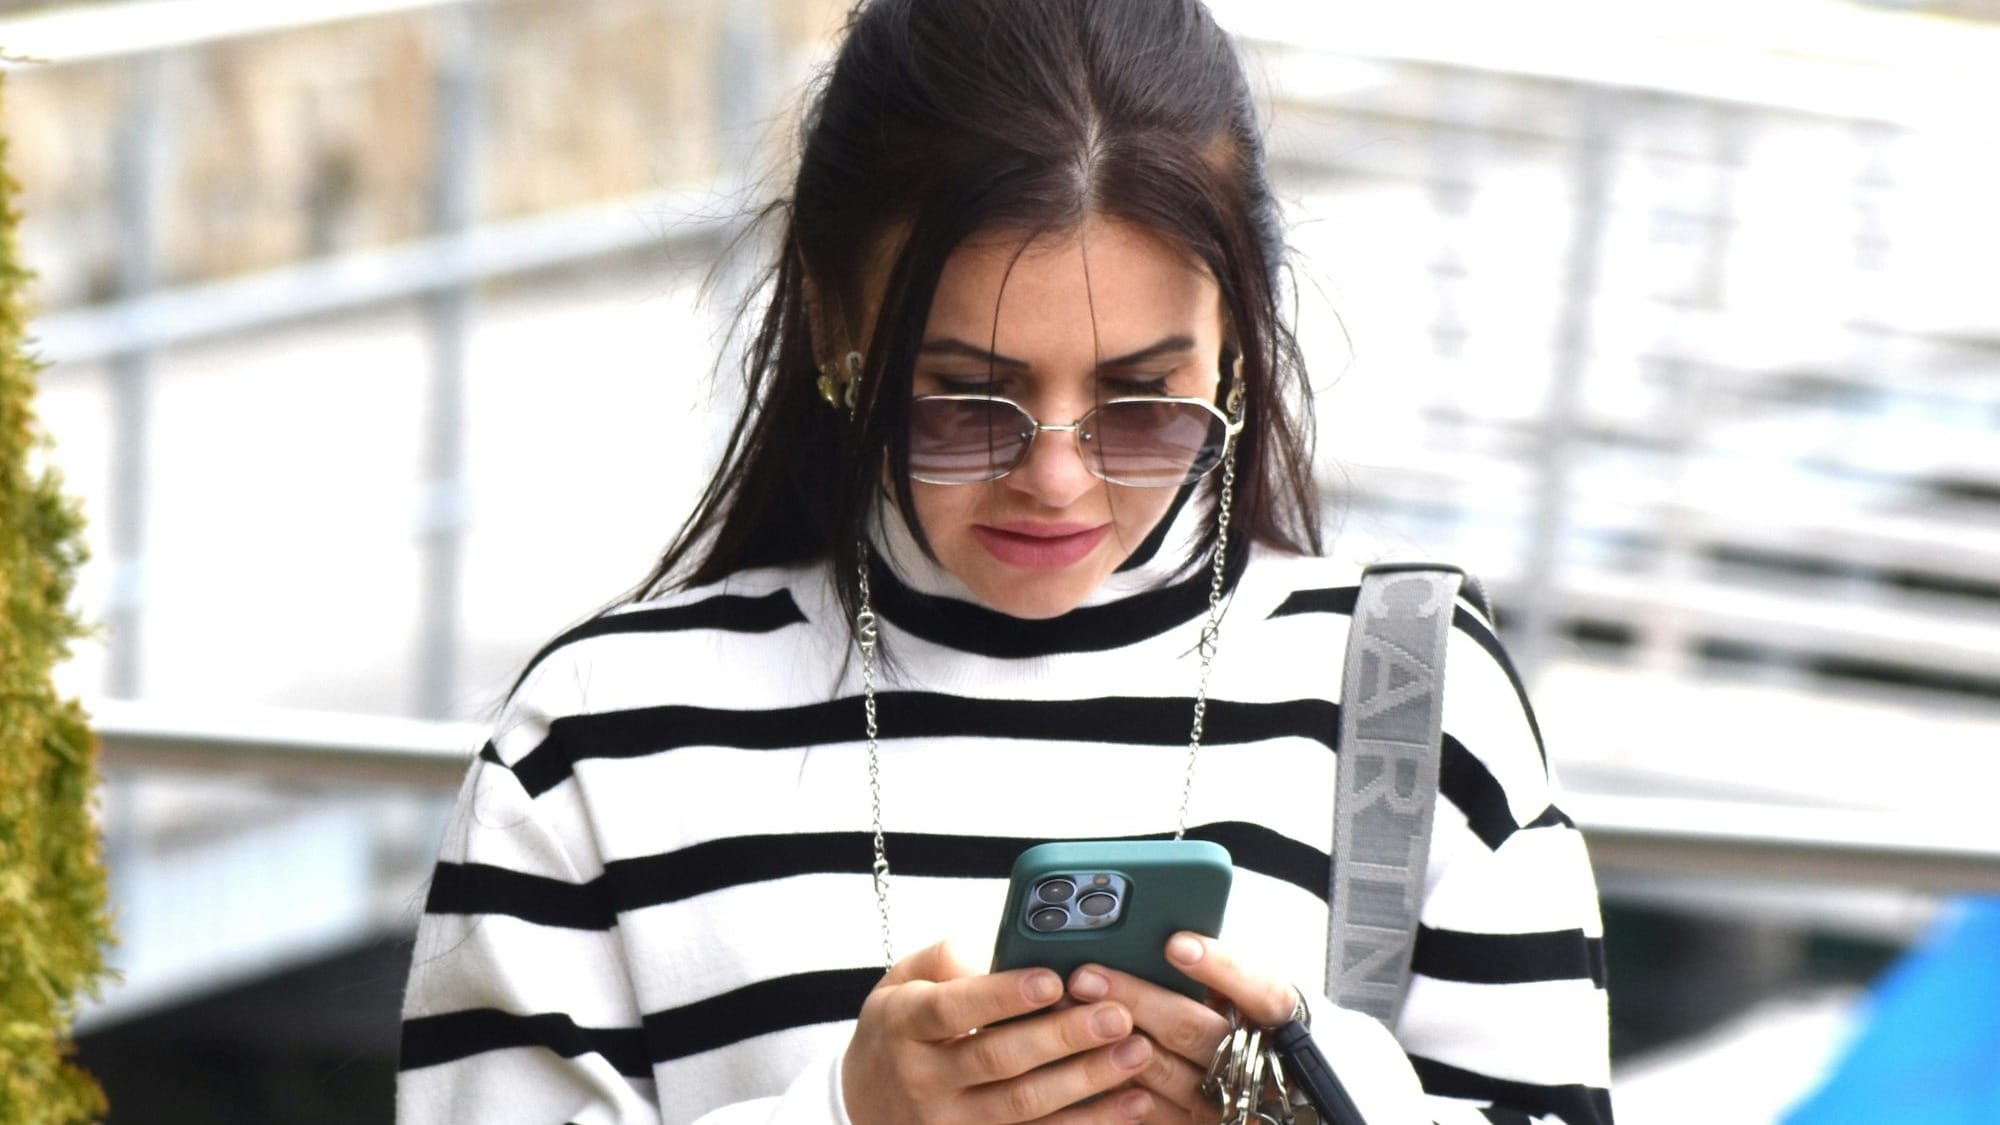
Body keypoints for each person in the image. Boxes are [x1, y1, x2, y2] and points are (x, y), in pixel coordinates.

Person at [396, 1, 1613, 1122]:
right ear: (832, 322)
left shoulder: (1405, 698)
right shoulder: (598, 742)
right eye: (964, 401)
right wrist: (847, 1113)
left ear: (1235, 348)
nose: (1056, 478)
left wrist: (1301, 1098)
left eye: (1143, 403)